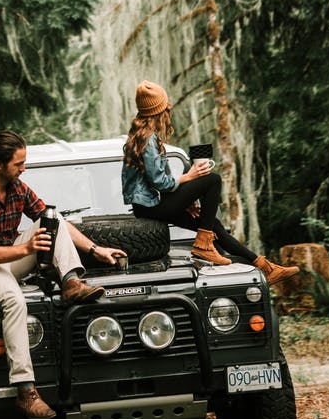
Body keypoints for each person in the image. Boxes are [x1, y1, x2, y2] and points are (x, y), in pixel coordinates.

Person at [0, 130, 127, 419]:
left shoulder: (18, 188)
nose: (24, 168)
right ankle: (26, 390)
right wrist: (27, 247)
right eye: (18, 163)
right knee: (13, 298)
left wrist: (96, 250)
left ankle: (71, 282)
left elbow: (53, 222)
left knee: (51, 217)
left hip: (10, 257)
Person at [122, 81, 299, 284]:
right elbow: (160, 182)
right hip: (151, 207)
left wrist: (185, 202)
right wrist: (191, 175)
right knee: (212, 179)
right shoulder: (147, 140)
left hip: (149, 205)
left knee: (212, 224)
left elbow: (156, 184)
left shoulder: (140, 137)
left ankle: (266, 268)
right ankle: (204, 245)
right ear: (159, 111)